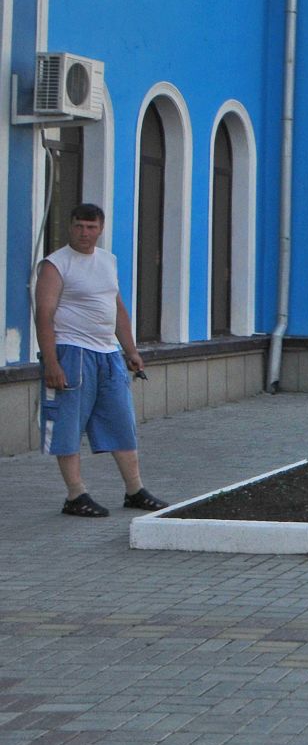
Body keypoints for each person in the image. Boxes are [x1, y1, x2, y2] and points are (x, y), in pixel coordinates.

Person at [36, 203, 166, 518]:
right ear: (70, 227)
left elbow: (117, 307)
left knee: (122, 422)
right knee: (67, 425)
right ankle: (75, 494)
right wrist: (52, 363)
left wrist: (131, 350)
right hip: (72, 353)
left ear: (101, 228)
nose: (85, 233)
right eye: (79, 226)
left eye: (91, 227)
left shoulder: (107, 261)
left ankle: (135, 490)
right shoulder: (56, 265)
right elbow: (44, 314)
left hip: (109, 355)